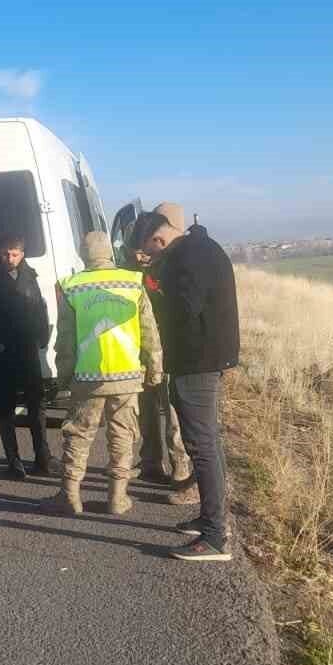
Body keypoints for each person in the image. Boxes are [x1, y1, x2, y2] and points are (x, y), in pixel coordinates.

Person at [144, 201, 240, 562]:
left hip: (196, 361)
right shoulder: (200, 248)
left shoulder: (188, 256)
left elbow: (184, 307)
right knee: (207, 443)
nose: (149, 257)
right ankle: (212, 519)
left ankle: (215, 537)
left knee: (201, 445)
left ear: (159, 238)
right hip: (202, 358)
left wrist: (155, 284)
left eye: (149, 250)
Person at [42, 230, 162, 517]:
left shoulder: (72, 286)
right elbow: (150, 332)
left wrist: (64, 376)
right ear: (109, 252)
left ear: (84, 254)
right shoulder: (133, 281)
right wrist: (155, 369)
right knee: (123, 433)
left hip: (88, 377)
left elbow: (66, 340)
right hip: (127, 375)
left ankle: (70, 495)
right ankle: (117, 498)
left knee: (79, 434)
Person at [0, 233, 59, 479]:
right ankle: (13, 461)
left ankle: (43, 457)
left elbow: (40, 306)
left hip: (27, 347)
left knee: (37, 403)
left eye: (15, 254)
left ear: (22, 254)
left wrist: (42, 338)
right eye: (6, 253)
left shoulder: (29, 274)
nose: (10, 258)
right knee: (5, 406)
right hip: (1, 352)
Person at [119, 210, 198, 505]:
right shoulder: (136, 266)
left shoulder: (170, 265)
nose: (143, 254)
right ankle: (151, 461)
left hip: (167, 347)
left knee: (173, 410)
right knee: (147, 405)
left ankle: (180, 467)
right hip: (140, 347)